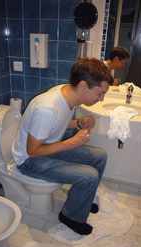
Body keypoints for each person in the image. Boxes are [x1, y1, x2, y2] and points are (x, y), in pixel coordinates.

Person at [11, 58, 114, 236]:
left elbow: (58, 124)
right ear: (83, 85)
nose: (101, 98)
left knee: (100, 156)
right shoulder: (47, 109)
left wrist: (79, 123)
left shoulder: (66, 94)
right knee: (89, 176)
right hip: (29, 161)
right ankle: (70, 217)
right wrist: (73, 142)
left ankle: (84, 200)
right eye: (100, 93)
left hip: (46, 148)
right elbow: (32, 151)